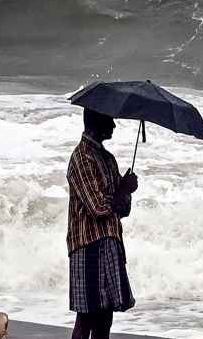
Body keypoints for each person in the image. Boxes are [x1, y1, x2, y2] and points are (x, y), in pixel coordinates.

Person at [66, 108, 138, 339]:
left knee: (105, 316)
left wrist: (124, 191)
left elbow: (123, 209)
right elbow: (98, 207)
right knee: (86, 316)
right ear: (96, 122)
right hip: (88, 246)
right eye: (109, 120)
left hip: (110, 243)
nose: (114, 126)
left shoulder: (107, 159)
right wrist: (123, 190)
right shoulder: (81, 158)